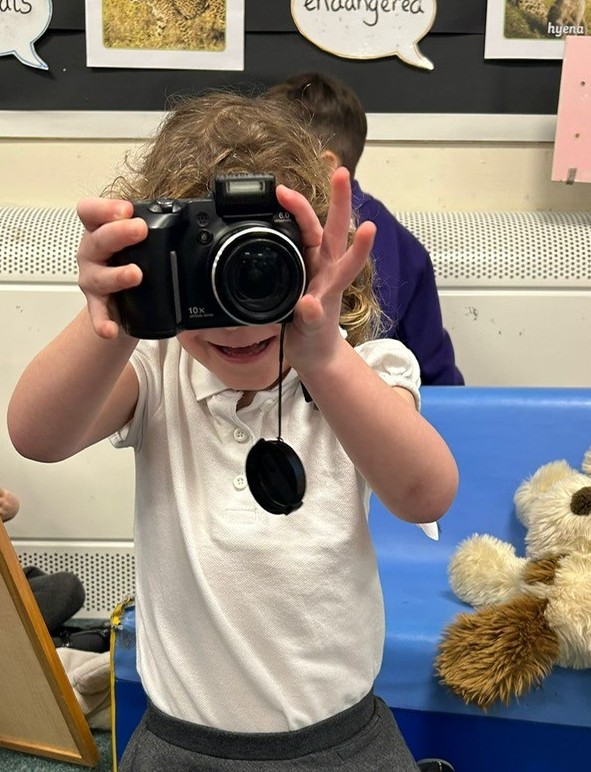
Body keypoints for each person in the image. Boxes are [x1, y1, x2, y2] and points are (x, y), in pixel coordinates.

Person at [7, 90, 458, 771]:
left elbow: (425, 495)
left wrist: (323, 356)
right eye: (201, 273)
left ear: (318, 259)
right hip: (181, 743)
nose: (235, 317)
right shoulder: (157, 372)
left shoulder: (366, 370)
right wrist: (117, 313)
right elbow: (37, 436)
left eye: (263, 266)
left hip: (339, 740)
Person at [266, 71, 464, 386]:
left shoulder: (391, 246)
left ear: (325, 165)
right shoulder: (405, 244)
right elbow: (440, 376)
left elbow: (436, 383)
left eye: (273, 159)